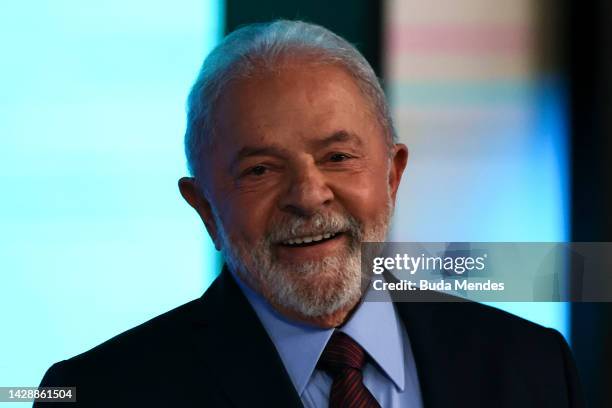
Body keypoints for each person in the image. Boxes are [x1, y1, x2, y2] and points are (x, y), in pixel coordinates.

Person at [37, 20, 584, 407]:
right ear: (204, 207)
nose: (308, 194)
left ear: (392, 175)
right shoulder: (98, 393)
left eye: (338, 157)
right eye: (260, 170)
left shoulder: (532, 366)